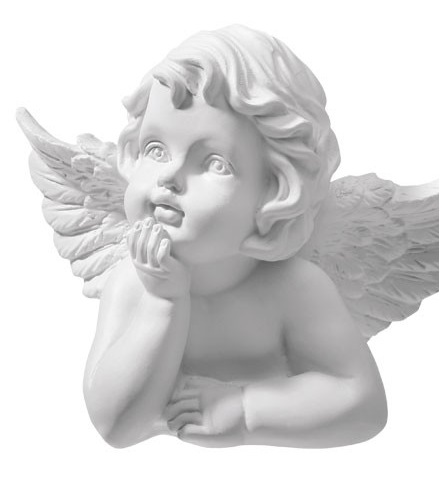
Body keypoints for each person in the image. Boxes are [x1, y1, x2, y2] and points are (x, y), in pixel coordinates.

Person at [82, 24, 387, 448]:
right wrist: (162, 301)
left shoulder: (293, 287)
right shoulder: (134, 281)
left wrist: (247, 410)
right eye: (155, 149)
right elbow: (115, 427)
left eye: (214, 163)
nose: (170, 176)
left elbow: (362, 403)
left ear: (275, 190)